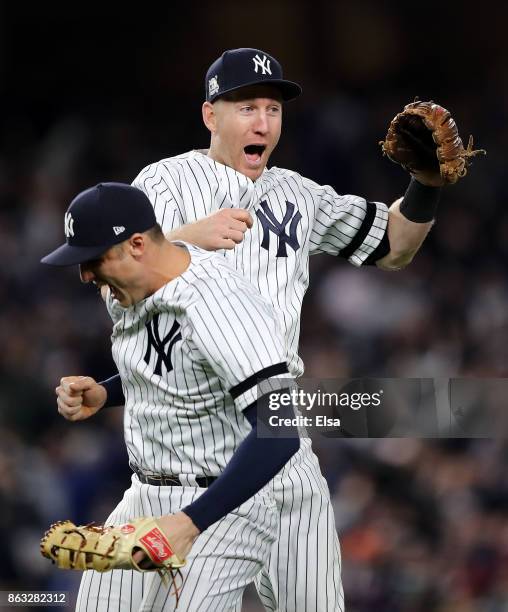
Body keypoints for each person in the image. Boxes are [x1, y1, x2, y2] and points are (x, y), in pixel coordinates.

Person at [126, 48, 444, 612]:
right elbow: (115, 275)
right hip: (199, 449)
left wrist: (425, 183)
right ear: (209, 116)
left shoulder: (298, 194)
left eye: (272, 109)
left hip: (280, 439)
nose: (262, 122)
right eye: (245, 107)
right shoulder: (164, 182)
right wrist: (185, 239)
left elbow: (394, 246)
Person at [41, 182, 301, 611]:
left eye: (92, 260)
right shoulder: (128, 288)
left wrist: (189, 523)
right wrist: (106, 393)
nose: (86, 275)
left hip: (221, 506)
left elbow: (280, 429)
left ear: (137, 244)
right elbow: (181, 368)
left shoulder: (219, 303)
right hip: (142, 498)